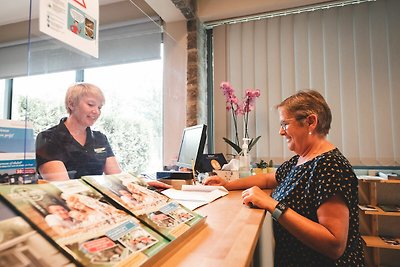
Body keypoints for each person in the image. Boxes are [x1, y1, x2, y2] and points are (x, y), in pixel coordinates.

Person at [204, 90, 365, 266]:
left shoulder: (331, 167)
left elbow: (334, 245)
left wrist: (273, 205)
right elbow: (268, 179)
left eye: (285, 124)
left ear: (311, 122)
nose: (281, 132)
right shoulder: (301, 159)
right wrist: (227, 184)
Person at [35, 83, 171, 189]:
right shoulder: (48, 138)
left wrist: (143, 185)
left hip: (99, 203)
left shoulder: (100, 138)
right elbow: (64, 187)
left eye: (100, 107)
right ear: (71, 104)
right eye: (90, 105)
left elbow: (117, 178)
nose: (96, 112)